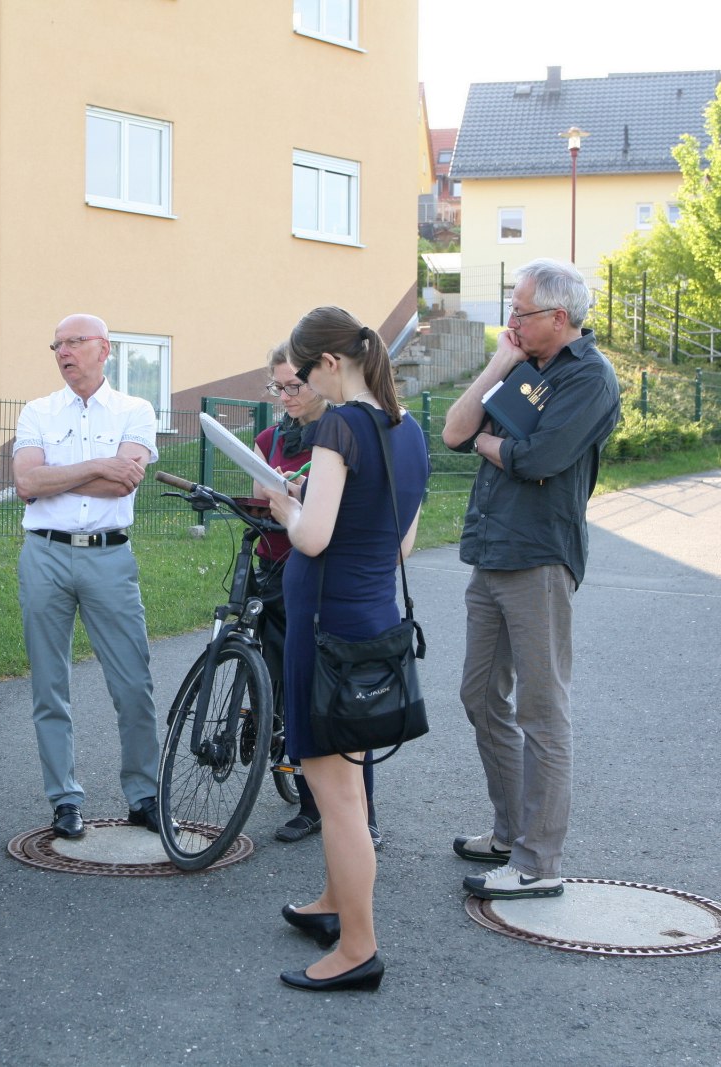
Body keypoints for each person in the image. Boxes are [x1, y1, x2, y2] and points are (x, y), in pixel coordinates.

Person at [259, 307, 429, 994]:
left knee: (336, 797)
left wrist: (287, 508)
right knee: (348, 781)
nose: (299, 384)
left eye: (301, 372)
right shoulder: (406, 427)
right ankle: (335, 902)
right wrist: (321, 506)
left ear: (330, 363)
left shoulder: (339, 425)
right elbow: (401, 543)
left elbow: (313, 538)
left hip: (325, 624)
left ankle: (357, 947)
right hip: (369, 616)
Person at [441, 258, 621, 901]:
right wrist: (498, 366)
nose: (510, 321)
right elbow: (455, 432)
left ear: (560, 317)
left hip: (540, 558)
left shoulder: (589, 379)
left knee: (542, 713)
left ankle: (538, 862)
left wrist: (498, 447)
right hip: (491, 552)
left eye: (521, 312)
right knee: (479, 696)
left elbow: (540, 457)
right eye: (511, 310)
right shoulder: (523, 368)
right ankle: (509, 830)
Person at [12, 314, 162, 839]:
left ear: (105, 348)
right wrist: (98, 466)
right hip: (44, 555)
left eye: (74, 342)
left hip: (109, 556)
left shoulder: (135, 410)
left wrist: (58, 477)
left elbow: (125, 484)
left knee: (133, 682)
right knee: (49, 685)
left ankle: (144, 795)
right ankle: (64, 799)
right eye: (57, 344)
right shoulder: (37, 411)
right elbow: (26, 483)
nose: (63, 352)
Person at [253, 343, 384, 850]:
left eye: (295, 384)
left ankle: (352, 815)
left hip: (319, 570)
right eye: (278, 386)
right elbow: (260, 498)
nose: (286, 395)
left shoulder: (338, 433)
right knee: (289, 689)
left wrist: (294, 500)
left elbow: (331, 514)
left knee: (337, 702)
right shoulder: (270, 437)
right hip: (274, 568)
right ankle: (314, 804)